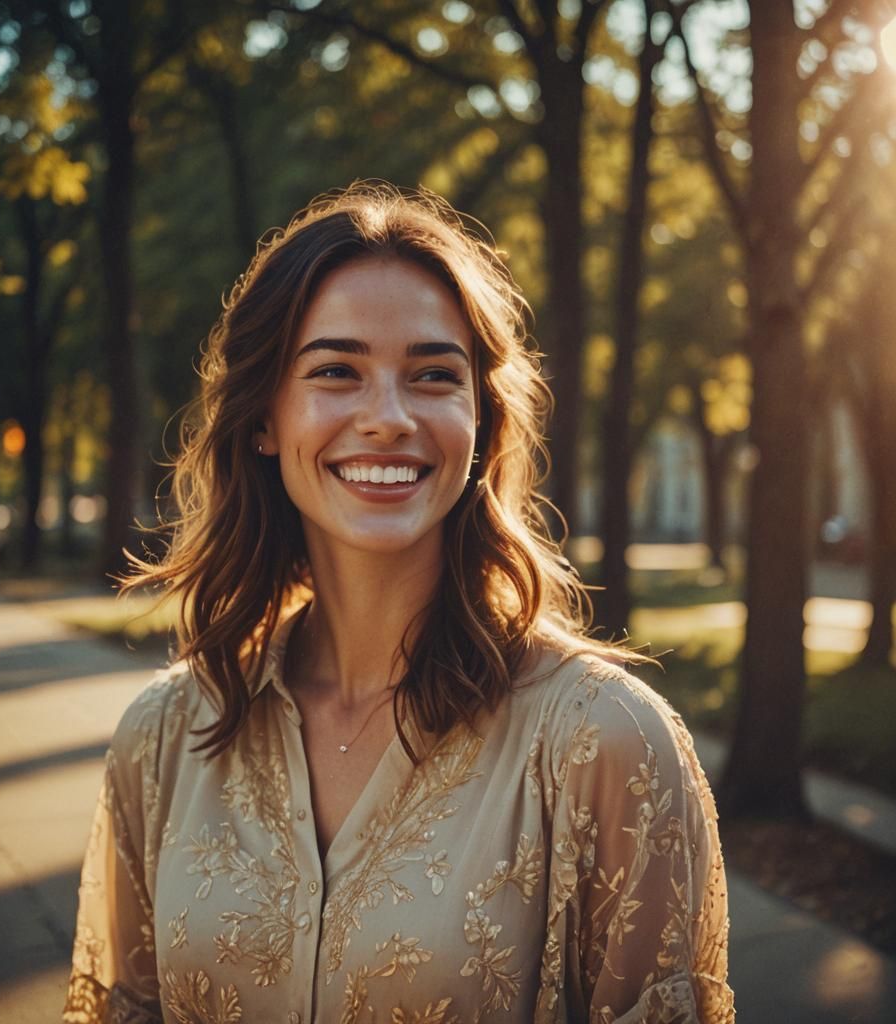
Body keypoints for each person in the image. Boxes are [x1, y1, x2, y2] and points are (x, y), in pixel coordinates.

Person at [63, 182, 734, 1024]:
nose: (387, 418)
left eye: (432, 376)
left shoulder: (604, 745)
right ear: (265, 416)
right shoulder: (163, 739)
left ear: (482, 424)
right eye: (337, 371)